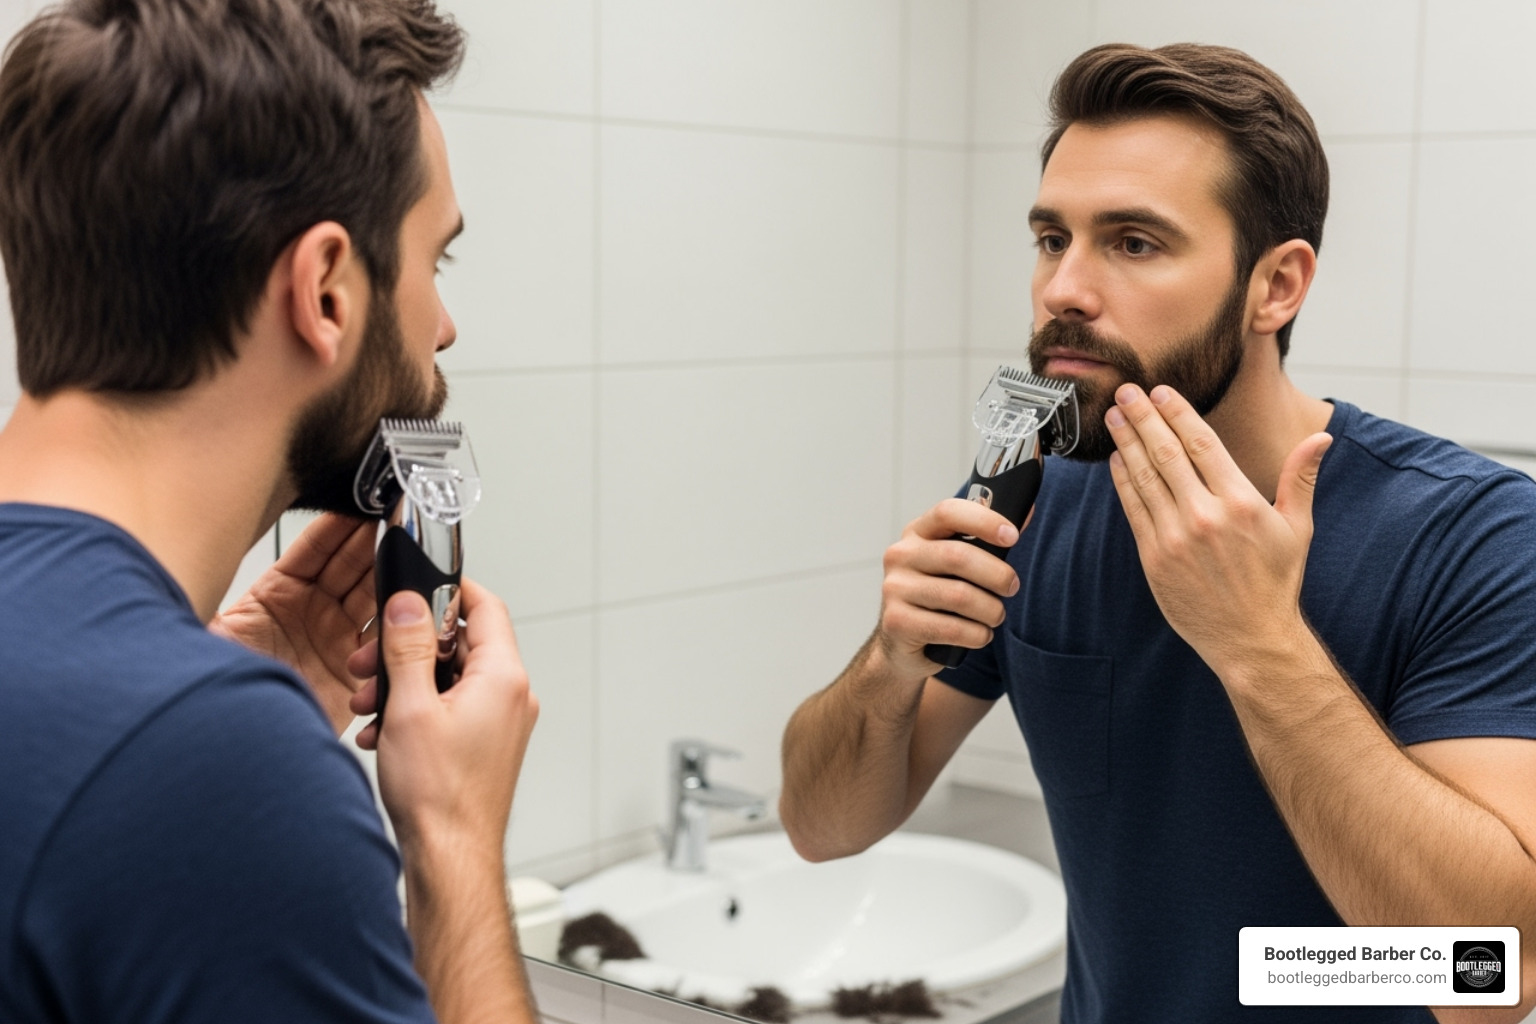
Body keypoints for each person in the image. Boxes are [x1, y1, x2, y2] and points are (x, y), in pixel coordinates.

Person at [780, 42, 1536, 1024]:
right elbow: (821, 829)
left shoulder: (1474, 533)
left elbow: (1495, 975)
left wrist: (1260, 644)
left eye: (1133, 242)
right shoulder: (1034, 491)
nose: (1064, 289)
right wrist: (887, 665)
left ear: (1276, 285)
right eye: (1053, 239)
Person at [0, 1, 540, 1022]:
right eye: (438, 263)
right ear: (328, 290)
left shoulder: (167, 737)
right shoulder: (211, 769)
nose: (446, 326)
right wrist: (455, 840)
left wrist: (208, 691)